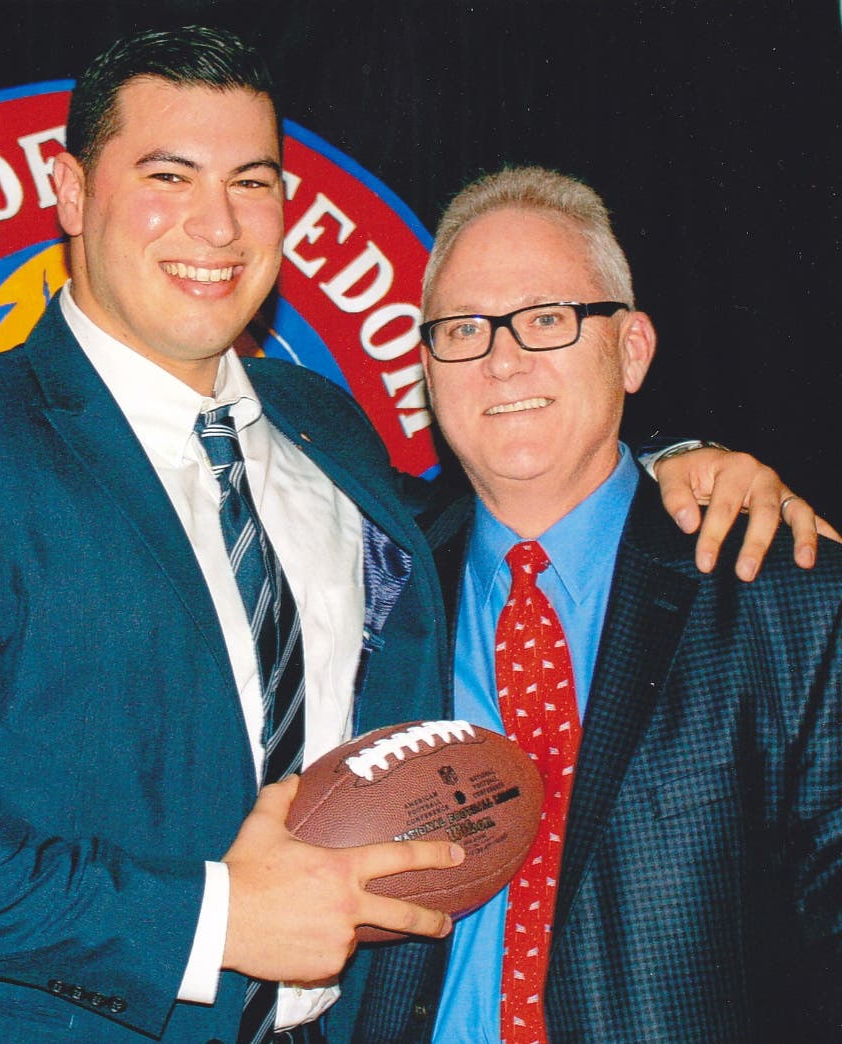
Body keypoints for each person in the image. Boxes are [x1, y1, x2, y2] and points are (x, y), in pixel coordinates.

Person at [0, 28, 816, 1044]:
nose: (217, 227)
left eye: (252, 181)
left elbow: (532, 479)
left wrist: (672, 463)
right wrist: (214, 920)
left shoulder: (326, 432)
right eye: (169, 176)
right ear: (73, 193)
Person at [341, 167, 842, 1042]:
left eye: (547, 319)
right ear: (425, 368)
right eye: (463, 329)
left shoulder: (787, 593)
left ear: (633, 348)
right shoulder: (367, 574)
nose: (503, 359)